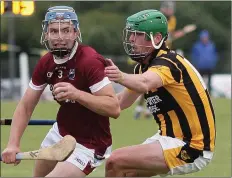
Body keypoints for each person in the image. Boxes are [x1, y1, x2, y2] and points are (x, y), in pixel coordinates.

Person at [1, 6, 120, 177]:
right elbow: (26, 106)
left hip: (91, 143)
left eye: (66, 30)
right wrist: (13, 144)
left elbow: (113, 108)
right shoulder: (46, 63)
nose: (60, 37)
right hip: (60, 133)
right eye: (54, 31)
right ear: (46, 34)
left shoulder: (89, 61)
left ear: (76, 33)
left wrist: (76, 94)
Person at [104, 9, 216, 177]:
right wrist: (84, 106)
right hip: (167, 138)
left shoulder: (169, 63)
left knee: (115, 159)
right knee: (120, 170)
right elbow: (120, 102)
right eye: (131, 34)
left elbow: (144, 83)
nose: (131, 39)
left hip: (192, 146)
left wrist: (119, 76)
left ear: (156, 39)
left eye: (137, 34)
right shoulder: (142, 66)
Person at [191, 30, 218, 94]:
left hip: (209, 66)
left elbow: (215, 55)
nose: (204, 38)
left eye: (205, 37)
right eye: (203, 37)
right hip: (200, 67)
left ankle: (210, 94)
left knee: (209, 82)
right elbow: (194, 56)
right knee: (200, 81)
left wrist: (213, 63)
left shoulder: (212, 45)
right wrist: (195, 65)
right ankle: (201, 93)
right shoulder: (196, 46)